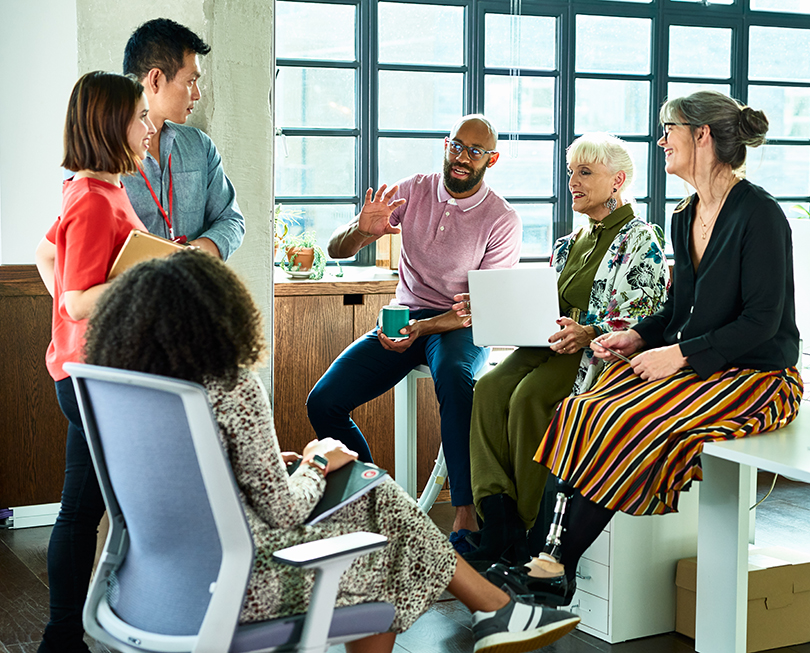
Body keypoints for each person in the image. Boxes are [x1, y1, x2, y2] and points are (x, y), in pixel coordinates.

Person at [83, 249, 580, 653]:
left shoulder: (127, 391)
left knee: (373, 493)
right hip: (241, 586)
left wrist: (277, 464)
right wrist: (317, 463)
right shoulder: (231, 387)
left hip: (145, 587)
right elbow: (282, 510)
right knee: (381, 542)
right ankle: (496, 609)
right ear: (217, 315)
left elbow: (190, 474)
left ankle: (494, 609)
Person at [489, 91, 804, 605]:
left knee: (621, 418)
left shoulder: (760, 215)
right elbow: (682, 310)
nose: (661, 140)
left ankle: (551, 567)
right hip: (703, 367)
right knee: (579, 410)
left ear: (702, 135)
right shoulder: (685, 216)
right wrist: (639, 335)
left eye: (668, 129)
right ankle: (542, 560)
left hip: (758, 377)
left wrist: (677, 355)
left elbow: (762, 323)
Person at [455, 133, 668, 568]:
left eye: (585, 173)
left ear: (617, 181)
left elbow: (647, 311)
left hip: (591, 352)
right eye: (571, 172)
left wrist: (589, 332)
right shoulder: (569, 242)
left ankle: (532, 531)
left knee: (528, 398)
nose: (573, 181)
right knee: (489, 388)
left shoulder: (640, 238)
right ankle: (498, 522)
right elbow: (543, 303)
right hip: (547, 343)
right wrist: (495, 308)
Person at [307, 115, 520, 540]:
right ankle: (375, 498)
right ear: (446, 145)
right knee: (323, 402)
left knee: (457, 382)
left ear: (491, 160)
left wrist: (424, 331)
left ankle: (464, 513)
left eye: (475, 151)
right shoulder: (413, 190)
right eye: (456, 146)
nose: (462, 158)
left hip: (457, 325)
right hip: (405, 315)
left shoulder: (501, 219)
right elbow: (336, 249)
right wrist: (361, 230)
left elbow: (479, 309)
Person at [33, 70, 157, 653]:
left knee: (84, 510)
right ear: (112, 124)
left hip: (90, 374)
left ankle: (67, 637)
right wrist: (153, 272)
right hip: (94, 378)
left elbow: (45, 254)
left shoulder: (95, 188)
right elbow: (80, 299)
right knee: (95, 511)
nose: (148, 124)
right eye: (139, 116)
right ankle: (73, 635)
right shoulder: (91, 196)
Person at [121, 17, 245, 258]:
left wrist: (194, 253)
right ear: (156, 79)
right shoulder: (102, 156)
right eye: (191, 81)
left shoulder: (200, 146)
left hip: (193, 291)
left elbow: (231, 220)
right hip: (133, 293)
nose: (197, 94)